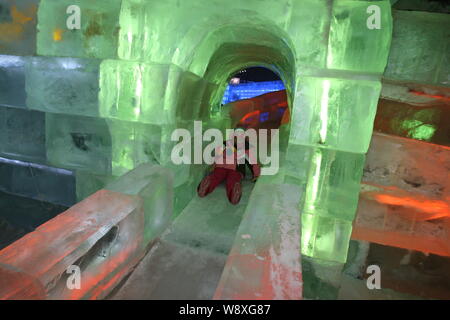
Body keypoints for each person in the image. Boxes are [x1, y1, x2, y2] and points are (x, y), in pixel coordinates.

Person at [197, 128, 261, 205]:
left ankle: (210, 186)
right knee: (228, 178)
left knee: (221, 177)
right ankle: (230, 191)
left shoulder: (232, 145)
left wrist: (214, 165)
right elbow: (252, 162)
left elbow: (218, 155)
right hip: (231, 168)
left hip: (228, 167)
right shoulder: (241, 146)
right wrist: (256, 174)